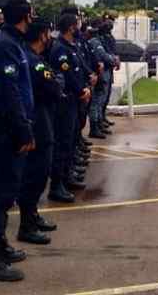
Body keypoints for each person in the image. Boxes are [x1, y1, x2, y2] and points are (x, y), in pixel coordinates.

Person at [0, 0, 34, 282]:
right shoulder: (4, 46)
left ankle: (0, 245)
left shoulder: (12, 44)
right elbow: (9, 92)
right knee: (0, 195)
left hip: (11, 127)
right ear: (24, 17)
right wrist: (23, 128)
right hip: (6, 130)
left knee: (7, 191)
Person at [17, 21, 58, 246]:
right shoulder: (33, 61)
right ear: (42, 35)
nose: (50, 37)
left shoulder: (34, 58)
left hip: (42, 119)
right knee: (35, 174)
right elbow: (52, 88)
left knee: (39, 174)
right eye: (48, 33)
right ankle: (26, 226)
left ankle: (32, 216)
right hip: (37, 122)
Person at [48, 13, 91, 203]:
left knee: (70, 141)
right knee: (62, 144)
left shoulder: (70, 47)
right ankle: (57, 186)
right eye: (77, 24)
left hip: (74, 100)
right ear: (71, 27)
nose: (80, 27)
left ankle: (66, 179)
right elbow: (67, 77)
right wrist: (81, 89)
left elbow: (79, 69)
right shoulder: (60, 49)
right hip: (65, 102)